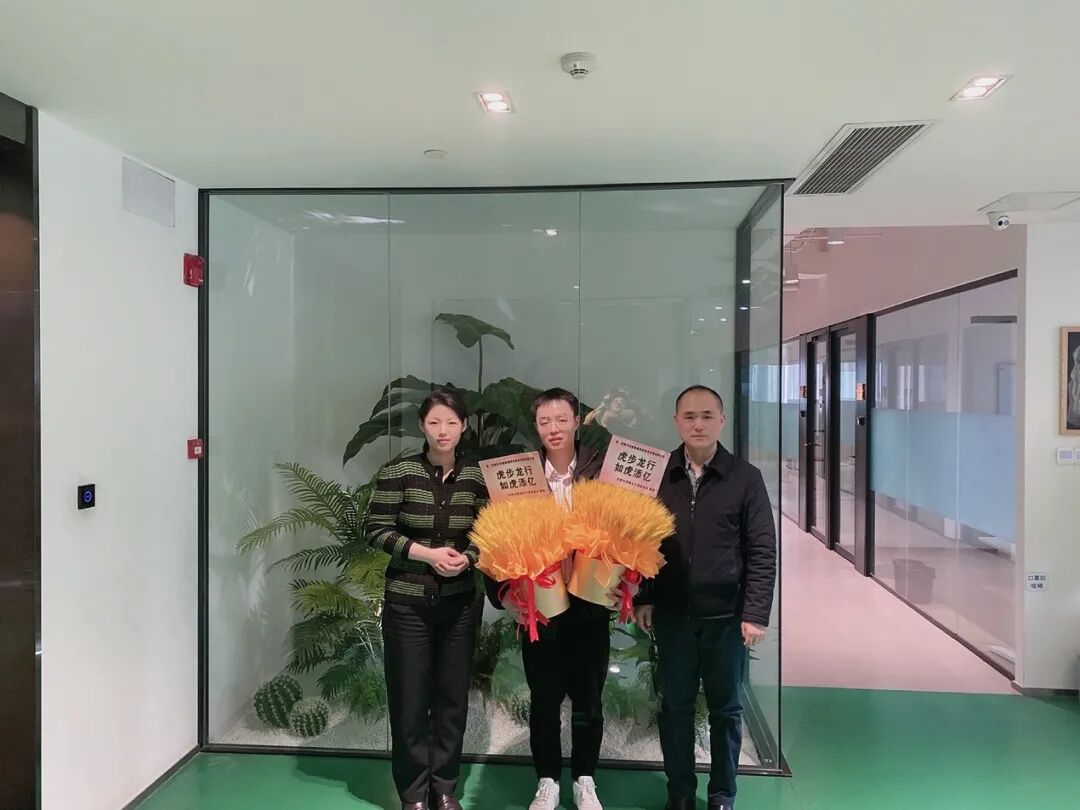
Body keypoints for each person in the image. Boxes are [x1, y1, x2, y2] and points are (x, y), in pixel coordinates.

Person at [633, 385, 777, 810]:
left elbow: (762, 549)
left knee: (725, 710)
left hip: (727, 618)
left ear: (722, 421)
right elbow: (640, 542)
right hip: (673, 615)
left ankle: (722, 795)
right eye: (689, 416)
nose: (698, 424)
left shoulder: (745, 478)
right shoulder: (658, 475)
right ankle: (679, 792)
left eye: (707, 416)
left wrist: (755, 613)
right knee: (674, 707)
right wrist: (644, 595)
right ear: (676, 421)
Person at [488, 388, 610, 810]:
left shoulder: (602, 469)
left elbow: (628, 528)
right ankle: (547, 781)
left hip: (590, 602)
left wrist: (630, 584)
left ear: (577, 421)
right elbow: (494, 536)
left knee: (589, 699)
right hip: (539, 607)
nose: (553, 429)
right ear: (536, 426)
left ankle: (585, 779)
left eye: (561, 420)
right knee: (543, 698)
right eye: (544, 422)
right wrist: (503, 593)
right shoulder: (518, 475)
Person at [368, 388, 488, 810]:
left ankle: (445, 788)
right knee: (409, 698)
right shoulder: (399, 471)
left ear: (463, 426)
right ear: (422, 426)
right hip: (407, 603)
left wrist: (468, 557)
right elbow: (376, 529)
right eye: (434, 422)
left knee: (452, 699)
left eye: (451, 423)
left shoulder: (476, 475)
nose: (443, 431)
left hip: (460, 603)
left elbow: (490, 530)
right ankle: (413, 793)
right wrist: (426, 554)